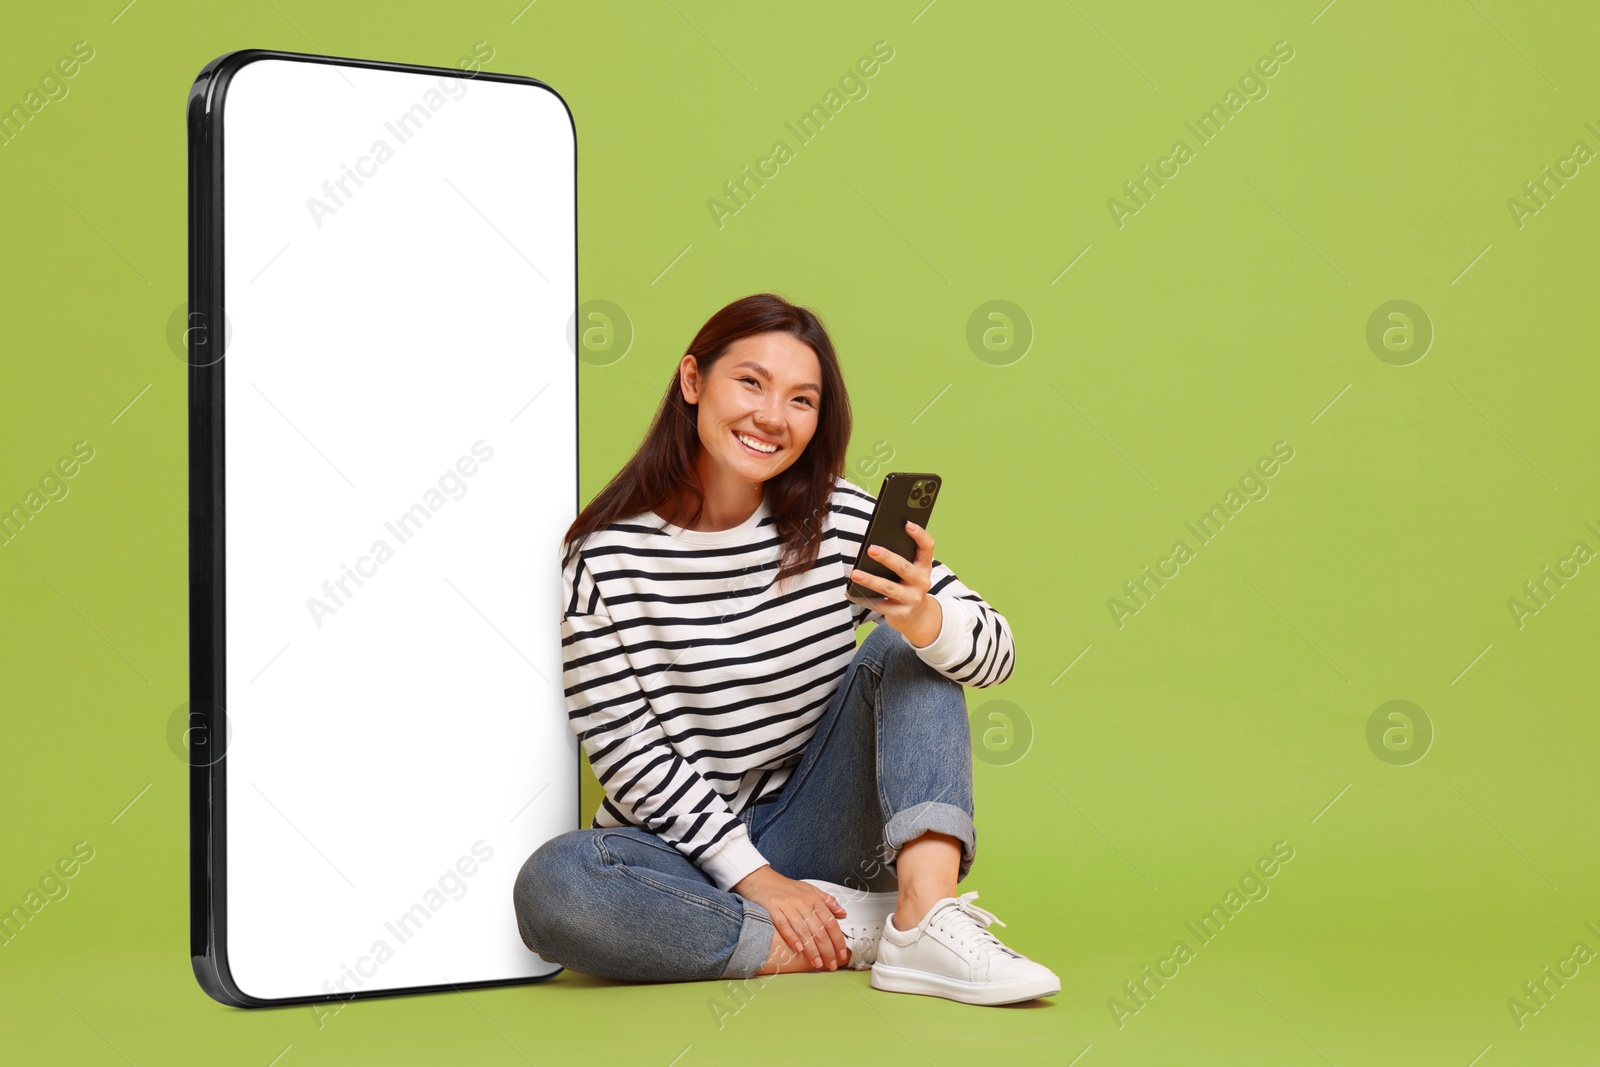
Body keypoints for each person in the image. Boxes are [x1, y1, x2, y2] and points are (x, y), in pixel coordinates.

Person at [513, 293, 1058, 1006]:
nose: (773, 416)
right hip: (675, 855)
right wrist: (754, 879)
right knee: (556, 885)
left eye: (801, 399)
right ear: (691, 381)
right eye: (750, 382)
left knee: (907, 645)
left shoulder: (843, 519)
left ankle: (923, 916)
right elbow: (622, 744)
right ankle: (839, 935)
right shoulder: (606, 555)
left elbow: (997, 654)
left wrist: (926, 616)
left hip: (814, 828)